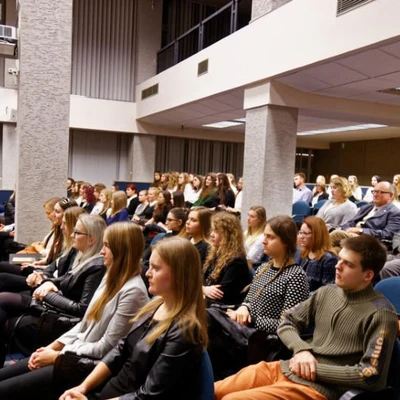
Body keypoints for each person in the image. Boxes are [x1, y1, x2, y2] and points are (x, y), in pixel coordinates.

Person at [215, 235, 398, 400]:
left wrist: (313, 369)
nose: (337, 266)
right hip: (287, 368)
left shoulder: (381, 314)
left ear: (368, 275)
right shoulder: (327, 292)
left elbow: (370, 375)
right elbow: (287, 321)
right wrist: (301, 350)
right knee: (212, 390)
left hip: (320, 388)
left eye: (348, 264)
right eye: (339, 258)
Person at [0, 223, 149, 399]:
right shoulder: (110, 275)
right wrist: (51, 347)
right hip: (72, 352)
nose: (101, 251)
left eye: (107, 246)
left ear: (122, 250)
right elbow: (83, 325)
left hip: (83, 366)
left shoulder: (133, 291)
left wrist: (58, 355)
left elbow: (106, 348)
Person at [59, 237, 208, 400]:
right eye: (149, 265)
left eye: (156, 268)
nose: (147, 273)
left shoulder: (185, 331)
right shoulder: (155, 305)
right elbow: (120, 351)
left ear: (179, 275)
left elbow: (149, 395)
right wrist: (83, 387)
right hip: (110, 390)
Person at [0, 215, 106, 364]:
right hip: (52, 304)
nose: (71, 234)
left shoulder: (97, 266)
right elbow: (61, 275)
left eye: (77, 232)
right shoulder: (80, 254)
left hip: (61, 317)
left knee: (6, 309)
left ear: (91, 239)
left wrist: (47, 290)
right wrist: (45, 280)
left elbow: (82, 309)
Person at [226, 215, 309, 333]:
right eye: (264, 235)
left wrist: (251, 320)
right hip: (246, 333)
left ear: (286, 241)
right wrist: (244, 308)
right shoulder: (263, 268)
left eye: (270, 237)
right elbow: (249, 300)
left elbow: (290, 325)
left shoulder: (296, 276)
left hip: (265, 341)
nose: (264, 241)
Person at [203, 212, 251, 307]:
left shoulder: (237, 261)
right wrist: (203, 289)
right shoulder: (215, 255)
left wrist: (202, 290)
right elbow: (201, 281)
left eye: (216, 231)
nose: (212, 235)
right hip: (210, 304)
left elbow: (219, 294)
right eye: (212, 230)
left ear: (228, 234)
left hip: (223, 309)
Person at [296, 216, 337, 292]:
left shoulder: (329, 259)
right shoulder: (303, 253)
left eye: (305, 233)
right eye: (300, 232)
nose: (301, 236)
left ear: (317, 235)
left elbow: (327, 291)